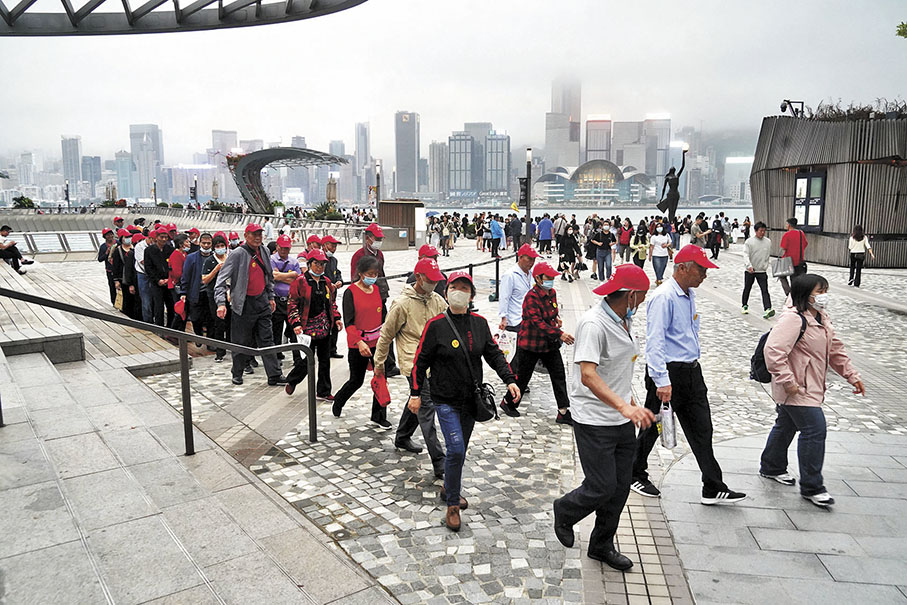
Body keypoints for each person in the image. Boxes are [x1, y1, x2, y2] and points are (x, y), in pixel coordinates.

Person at [553, 264, 655, 571]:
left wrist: (631, 402)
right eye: (643, 296)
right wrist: (624, 407)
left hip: (622, 419)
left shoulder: (624, 319)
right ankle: (565, 510)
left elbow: (619, 368)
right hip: (594, 418)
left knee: (620, 487)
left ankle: (601, 545)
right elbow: (588, 375)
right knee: (601, 486)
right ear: (632, 294)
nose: (643, 302)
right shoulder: (594, 324)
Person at [631, 245, 747, 505]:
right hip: (669, 374)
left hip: (692, 372)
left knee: (702, 429)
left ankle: (713, 485)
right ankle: (634, 472)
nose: (704, 274)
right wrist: (661, 380)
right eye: (701, 269)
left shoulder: (688, 293)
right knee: (653, 426)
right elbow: (655, 342)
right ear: (682, 268)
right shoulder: (664, 297)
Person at [410, 270, 519, 532]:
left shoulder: (480, 324)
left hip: (471, 401)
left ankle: (450, 484)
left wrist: (510, 379)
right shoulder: (435, 326)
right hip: (444, 399)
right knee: (456, 449)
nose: (460, 292)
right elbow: (420, 361)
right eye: (455, 287)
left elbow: (493, 354)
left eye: (465, 288)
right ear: (446, 293)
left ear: (471, 295)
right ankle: (452, 505)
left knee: (460, 449)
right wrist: (415, 393)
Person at [760, 274, 865, 508]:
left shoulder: (821, 317)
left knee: (786, 425)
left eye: (825, 290)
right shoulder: (793, 319)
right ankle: (812, 486)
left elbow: (835, 350)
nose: (823, 296)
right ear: (805, 294)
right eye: (820, 291)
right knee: (814, 430)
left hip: (811, 385)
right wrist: (788, 382)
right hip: (797, 389)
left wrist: (852, 376)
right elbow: (773, 352)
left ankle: (771, 466)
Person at [375, 258, 448, 477]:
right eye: (430, 280)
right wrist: (379, 365)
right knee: (427, 406)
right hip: (412, 363)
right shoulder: (402, 304)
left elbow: (450, 322)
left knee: (417, 401)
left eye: (437, 281)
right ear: (418, 277)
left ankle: (402, 435)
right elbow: (385, 336)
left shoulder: (437, 300)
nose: (434, 284)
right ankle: (439, 460)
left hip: (435, 362)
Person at [214, 223, 287, 387]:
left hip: (261, 300)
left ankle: (274, 375)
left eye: (260, 234)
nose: (258, 237)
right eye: (254, 234)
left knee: (267, 340)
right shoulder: (237, 254)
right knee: (241, 341)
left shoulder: (265, 251)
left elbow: (268, 276)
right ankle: (237, 373)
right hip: (243, 303)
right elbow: (220, 280)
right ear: (246, 235)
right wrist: (221, 303)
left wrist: (270, 296)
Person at [500, 262, 573, 424]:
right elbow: (537, 323)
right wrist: (560, 334)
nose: (551, 280)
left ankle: (563, 411)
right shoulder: (531, 297)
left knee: (559, 375)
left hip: (549, 344)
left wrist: (556, 319)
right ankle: (508, 403)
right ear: (538, 279)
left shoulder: (552, 292)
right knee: (522, 378)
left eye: (553, 277)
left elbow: (552, 311)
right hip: (530, 345)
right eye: (548, 277)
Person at [332, 255, 388, 426]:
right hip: (359, 343)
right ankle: (339, 401)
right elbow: (349, 322)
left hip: (377, 341)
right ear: (361, 273)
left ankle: (378, 415)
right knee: (356, 380)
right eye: (370, 273)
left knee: (380, 377)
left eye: (376, 274)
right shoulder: (351, 292)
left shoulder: (376, 289)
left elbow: (382, 314)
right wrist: (359, 342)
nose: (373, 277)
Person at [285, 249, 342, 399]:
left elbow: (332, 303)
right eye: (317, 263)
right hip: (306, 328)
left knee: (325, 361)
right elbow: (292, 304)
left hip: (324, 327)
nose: (320, 267)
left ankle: (323, 391)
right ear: (310, 264)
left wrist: (336, 318)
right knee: (306, 360)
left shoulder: (327, 282)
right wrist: (295, 323)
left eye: (323, 264)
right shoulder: (300, 281)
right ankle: (292, 380)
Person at [351, 223, 399, 377]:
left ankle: (389, 363)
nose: (379, 241)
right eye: (376, 238)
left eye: (380, 238)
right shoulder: (359, 255)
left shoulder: (380, 255)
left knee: (386, 329)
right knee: (370, 331)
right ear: (368, 238)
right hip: (365, 299)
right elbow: (354, 279)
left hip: (380, 295)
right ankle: (373, 361)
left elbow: (381, 275)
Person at [498, 244, 541, 375]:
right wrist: (503, 317)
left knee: (527, 351)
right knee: (515, 352)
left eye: (534, 259)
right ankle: (513, 378)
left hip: (529, 318)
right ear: (520, 257)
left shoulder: (532, 274)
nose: (532, 262)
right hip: (515, 318)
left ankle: (523, 376)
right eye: (529, 259)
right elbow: (504, 297)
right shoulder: (510, 275)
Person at [270, 234, 301, 363]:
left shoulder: (294, 261)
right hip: (277, 299)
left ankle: (298, 357)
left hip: (290, 300)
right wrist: (290, 275)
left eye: (286, 248)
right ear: (277, 246)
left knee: (294, 329)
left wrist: (281, 276)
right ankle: (276, 356)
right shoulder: (271, 259)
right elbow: (272, 277)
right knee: (275, 330)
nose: (284, 251)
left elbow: (298, 280)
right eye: (281, 248)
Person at [180, 232, 214, 340]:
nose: (206, 246)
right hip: (196, 292)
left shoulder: (215, 258)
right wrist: (183, 292)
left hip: (210, 293)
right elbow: (185, 276)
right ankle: (198, 335)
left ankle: (210, 341)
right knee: (195, 318)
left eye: (208, 243)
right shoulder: (191, 258)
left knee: (211, 318)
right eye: (204, 243)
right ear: (199, 243)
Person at [202, 234, 230, 361]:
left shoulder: (230, 258)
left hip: (230, 294)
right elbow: (205, 280)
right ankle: (220, 351)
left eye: (222, 246)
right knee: (219, 323)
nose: (220, 248)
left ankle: (232, 346)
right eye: (217, 246)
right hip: (214, 295)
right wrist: (216, 269)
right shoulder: (209, 261)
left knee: (232, 322)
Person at [742, 221, 773, 318]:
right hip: (750, 270)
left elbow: (767, 256)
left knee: (764, 290)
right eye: (760, 231)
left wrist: (765, 265)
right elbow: (746, 254)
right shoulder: (749, 242)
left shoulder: (768, 241)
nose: (762, 233)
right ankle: (744, 305)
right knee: (747, 288)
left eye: (764, 231)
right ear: (755, 231)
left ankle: (768, 308)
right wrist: (749, 266)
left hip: (762, 271)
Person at [321, 234, 345, 358]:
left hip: (333, 297)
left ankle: (332, 349)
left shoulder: (334, 260)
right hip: (322, 296)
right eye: (332, 245)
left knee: (335, 321)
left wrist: (339, 281)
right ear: (324, 246)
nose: (334, 248)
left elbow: (338, 273)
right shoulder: (319, 259)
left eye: (335, 245)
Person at [144, 228, 172, 327]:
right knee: (158, 306)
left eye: (166, 237)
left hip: (168, 281)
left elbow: (172, 265)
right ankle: (159, 327)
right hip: (157, 282)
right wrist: (157, 280)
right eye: (161, 237)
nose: (164, 239)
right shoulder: (149, 250)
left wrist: (169, 278)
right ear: (156, 237)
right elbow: (148, 267)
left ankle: (170, 327)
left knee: (171, 305)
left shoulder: (169, 249)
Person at [778, 217, 808, 296]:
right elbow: (805, 244)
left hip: (789, 261)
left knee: (782, 276)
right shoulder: (801, 233)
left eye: (786, 224)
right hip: (800, 260)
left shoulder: (787, 234)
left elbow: (783, 248)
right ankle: (796, 295)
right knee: (795, 279)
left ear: (789, 225)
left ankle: (789, 293)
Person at [657, 149, 687, 223]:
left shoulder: (677, 176)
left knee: (674, 209)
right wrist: (661, 198)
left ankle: (672, 222)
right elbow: (664, 188)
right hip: (671, 194)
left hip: (676, 194)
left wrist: (683, 154)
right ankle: (670, 222)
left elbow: (683, 166)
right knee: (670, 210)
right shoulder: (668, 178)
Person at [98, 228, 118, 305]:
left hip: (119, 269)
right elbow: (100, 259)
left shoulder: (118, 243)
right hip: (110, 269)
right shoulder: (103, 247)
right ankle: (114, 302)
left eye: (111, 234)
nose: (110, 236)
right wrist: (106, 253)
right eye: (108, 235)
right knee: (112, 287)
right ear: (105, 236)